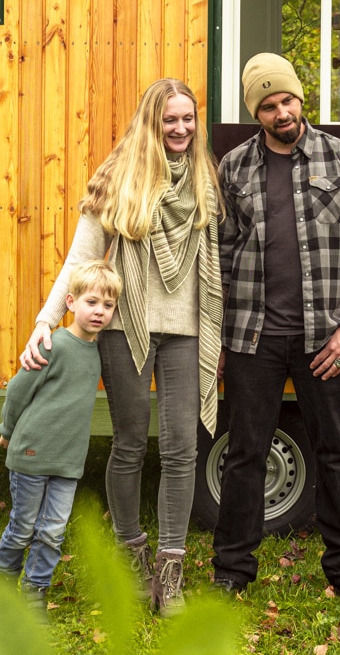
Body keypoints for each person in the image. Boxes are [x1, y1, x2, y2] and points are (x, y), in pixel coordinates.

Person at [20, 78, 222, 615]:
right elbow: (81, 258)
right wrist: (47, 319)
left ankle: (171, 574)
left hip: (186, 329)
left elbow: (215, 260)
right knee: (130, 445)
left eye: (187, 118)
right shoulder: (117, 180)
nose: (180, 129)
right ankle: (133, 562)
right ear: (151, 123)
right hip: (124, 327)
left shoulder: (205, 177)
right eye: (169, 120)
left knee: (183, 447)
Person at [211, 53, 340, 605]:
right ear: (255, 112)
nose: (279, 111)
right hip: (250, 337)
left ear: (299, 99)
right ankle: (232, 572)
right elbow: (217, 257)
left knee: (336, 451)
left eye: (285, 99)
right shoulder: (233, 168)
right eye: (267, 104)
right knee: (244, 453)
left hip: (325, 338)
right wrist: (215, 339)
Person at [0, 261, 121, 607]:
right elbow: (18, 390)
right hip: (32, 454)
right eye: (91, 302)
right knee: (22, 528)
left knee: (52, 531)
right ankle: (2, 586)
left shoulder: (99, 353)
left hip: (68, 461)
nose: (99, 312)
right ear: (70, 302)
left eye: (108, 305)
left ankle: (35, 593)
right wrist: (7, 429)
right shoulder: (52, 344)